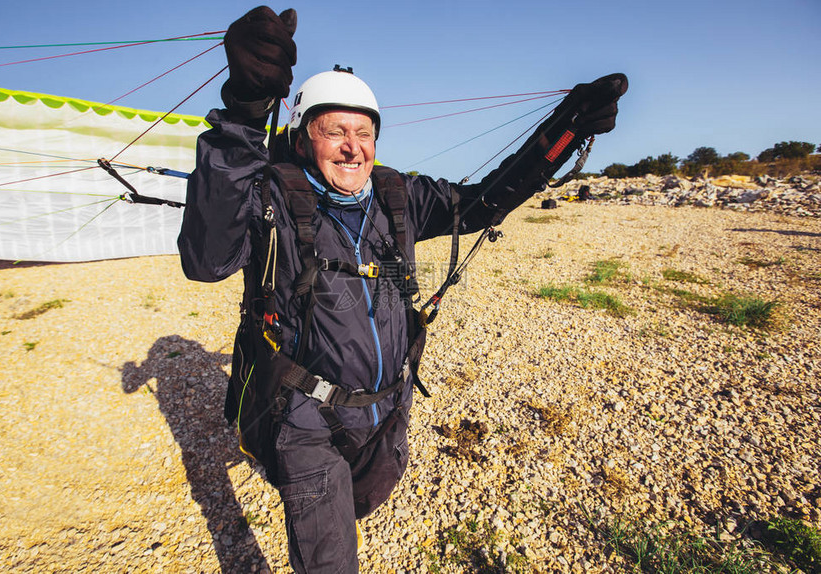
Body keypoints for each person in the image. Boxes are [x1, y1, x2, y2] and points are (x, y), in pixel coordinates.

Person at [178, 6, 627, 573]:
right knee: (330, 557)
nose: (352, 146)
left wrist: (564, 131)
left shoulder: (399, 198)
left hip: (387, 410)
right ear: (302, 136)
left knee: (363, 502)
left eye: (363, 132)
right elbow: (206, 259)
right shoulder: (269, 197)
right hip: (303, 417)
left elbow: (486, 200)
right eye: (334, 130)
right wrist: (244, 112)